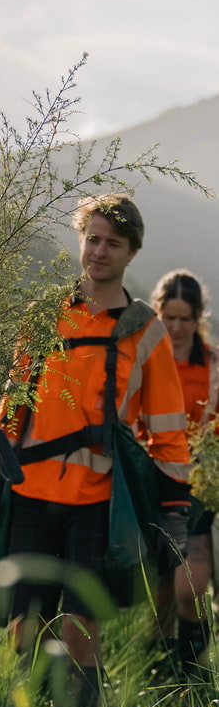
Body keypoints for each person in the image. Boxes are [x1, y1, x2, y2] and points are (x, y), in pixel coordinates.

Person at [0, 194, 191, 707]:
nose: (99, 251)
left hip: (96, 503)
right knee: (24, 629)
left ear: (131, 251)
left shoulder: (146, 331)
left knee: (80, 631)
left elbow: (167, 428)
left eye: (113, 242)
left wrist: (176, 512)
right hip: (30, 494)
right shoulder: (44, 315)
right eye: (92, 238)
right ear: (80, 239)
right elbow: (14, 402)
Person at [150, 269, 218, 681]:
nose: (175, 328)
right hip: (147, 479)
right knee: (159, 586)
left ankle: (193, 669)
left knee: (189, 582)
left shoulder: (212, 369)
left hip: (196, 485)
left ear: (198, 319)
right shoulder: (142, 361)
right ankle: (164, 668)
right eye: (168, 317)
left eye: (184, 319)